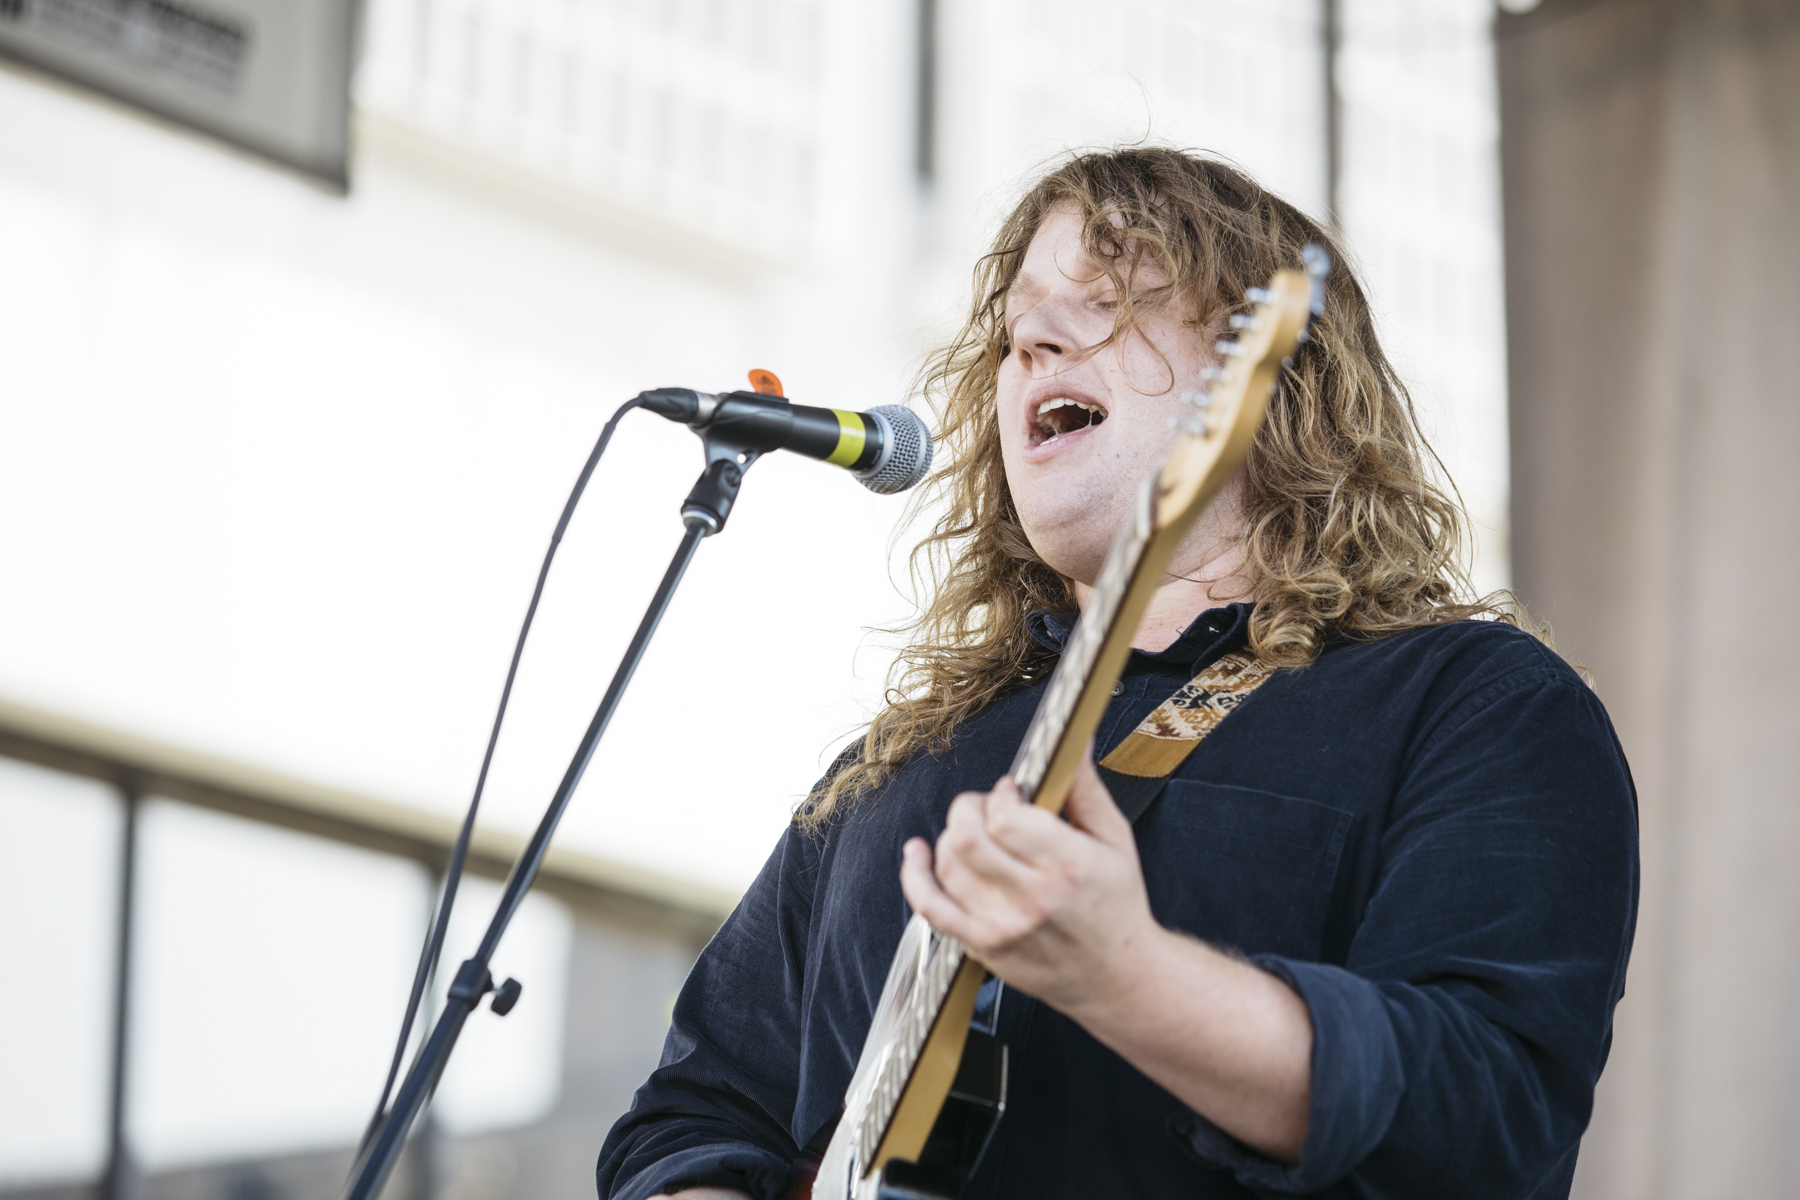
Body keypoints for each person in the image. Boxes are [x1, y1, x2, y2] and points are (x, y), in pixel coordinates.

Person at [596, 148, 1638, 1200]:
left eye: (1107, 305)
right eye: (1016, 329)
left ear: (1266, 385)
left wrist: (1126, 975)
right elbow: (693, 1112)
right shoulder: (889, 771)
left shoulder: (1475, 707)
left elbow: (1486, 1109)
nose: (1035, 342)